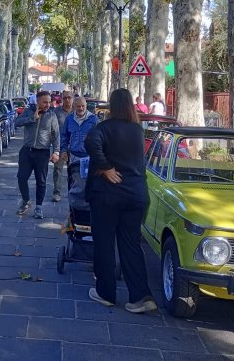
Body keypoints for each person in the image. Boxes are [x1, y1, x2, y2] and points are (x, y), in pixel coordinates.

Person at [84, 88, 157, 314]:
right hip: (136, 194)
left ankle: (106, 293)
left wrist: (105, 167)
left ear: (112, 106)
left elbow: (90, 143)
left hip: (108, 195)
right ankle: (141, 296)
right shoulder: (137, 130)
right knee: (131, 245)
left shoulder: (104, 128)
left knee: (105, 243)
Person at [15, 91, 60, 219]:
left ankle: (39, 207)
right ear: (37, 101)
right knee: (21, 177)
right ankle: (26, 201)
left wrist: (56, 152)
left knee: (41, 181)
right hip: (27, 151)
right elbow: (17, 123)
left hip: (42, 153)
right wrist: (32, 118)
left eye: (49, 101)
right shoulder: (28, 111)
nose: (47, 104)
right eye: (44, 102)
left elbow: (56, 135)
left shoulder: (51, 115)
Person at [61, 96, 99, 205]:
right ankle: (74, 210)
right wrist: (63, 151)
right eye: (78, 106)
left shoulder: (94, 120)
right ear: (73, 107)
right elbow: (64, 136)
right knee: (74, 183)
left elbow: (100, 139)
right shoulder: (69, 119)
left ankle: (84, 208)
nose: (81, 108)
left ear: (86, 106)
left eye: (83, 106)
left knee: (85, 184)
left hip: (89, 157)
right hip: (73, 156)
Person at [51, 91, 74, 202]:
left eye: (69, 98)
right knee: (58, 170)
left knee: (74, 170)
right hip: (60, 145)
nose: (67, 100)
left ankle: (73, 191)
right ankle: (57, 192)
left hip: (74, 146)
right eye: (65, 98)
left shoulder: (77, 111)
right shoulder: (56, 111)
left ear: (73, 99)